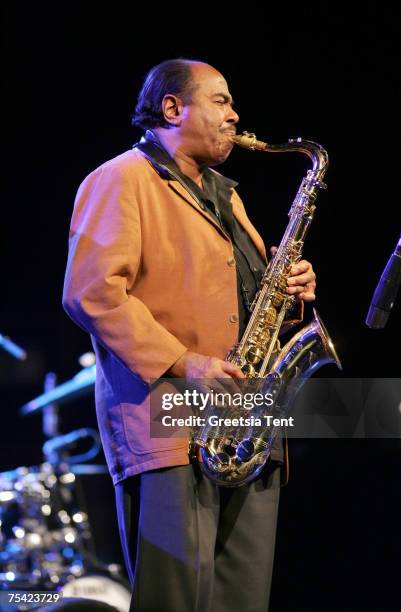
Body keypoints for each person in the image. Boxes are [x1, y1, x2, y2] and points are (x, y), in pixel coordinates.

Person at [62, 58, 317, 612]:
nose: (235, 115)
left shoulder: (227, 196)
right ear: (173, 108)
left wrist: (290, 292)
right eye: (222, 101)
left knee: (242, 600)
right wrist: (184, 361)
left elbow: (238, 303)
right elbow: (91, 293)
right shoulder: (122, 179)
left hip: (245, 425)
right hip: (170, 421)